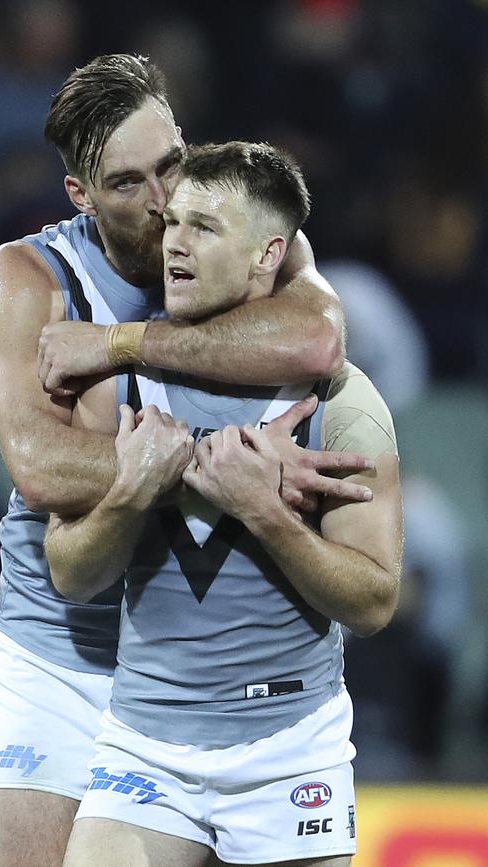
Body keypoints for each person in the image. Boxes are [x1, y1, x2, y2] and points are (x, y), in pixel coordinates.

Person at [0, 55, 371, 867]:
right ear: (80, 196)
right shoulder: (28, 277)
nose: (164, 204)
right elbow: (42, 468)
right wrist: (219, 467)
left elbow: (320, 337)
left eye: (171, 164)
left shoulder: (232, 221)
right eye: (128, 184)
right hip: (65, 646)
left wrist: (120, 342)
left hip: (199, 675)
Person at [44, 142, 403, 867]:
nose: (174, 240)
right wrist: (129, 495)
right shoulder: (117, 386)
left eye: (204, 227)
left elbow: (373, 601)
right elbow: (71, 574)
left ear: (269, 253)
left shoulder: (343, 403)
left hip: (289, 751)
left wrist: (265, 513)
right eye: (173, 222)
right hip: (144, 747)